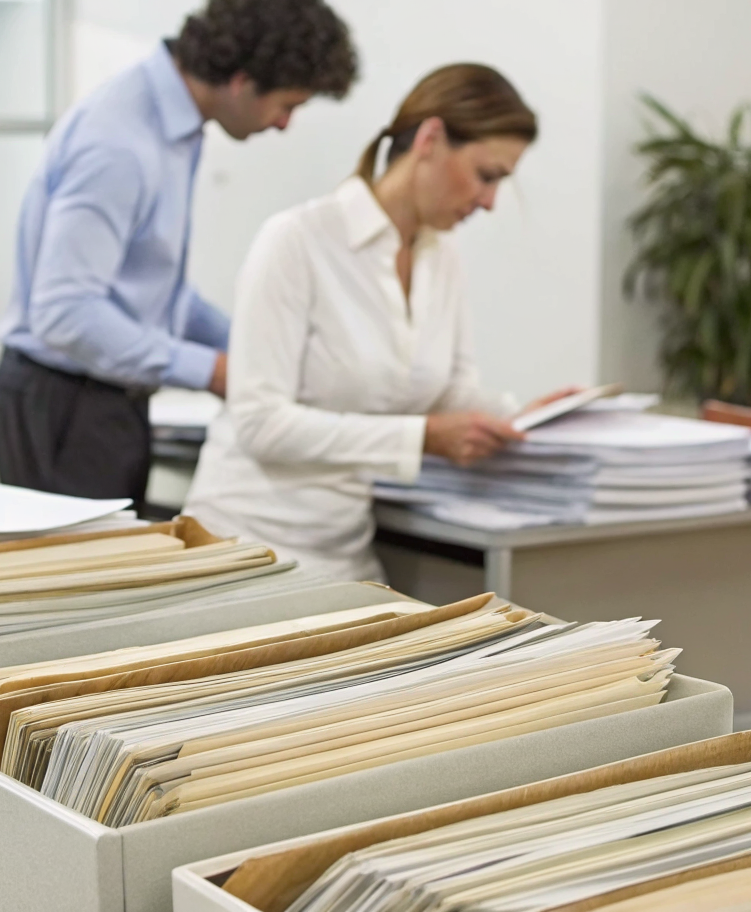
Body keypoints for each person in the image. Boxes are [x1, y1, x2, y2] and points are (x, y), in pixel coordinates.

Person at [183, 63, 576, 583]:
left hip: (342, 553)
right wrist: (421, 438)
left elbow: (449, 391)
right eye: (487, 176)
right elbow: (261, 425)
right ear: (430, 140)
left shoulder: (441, 256)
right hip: (242, 548)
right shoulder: (297, 240)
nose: (489, 202)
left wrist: (526, 419)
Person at [0, 0, 358, 502]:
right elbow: (65, 312)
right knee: (95, 560)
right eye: (287, 105)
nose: (284, 124)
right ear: (241, 81)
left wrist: (250, 349)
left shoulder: (174, 126)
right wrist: (213, 371)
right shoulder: (119, 144)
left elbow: (153, 294)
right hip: (66, 402)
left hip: (103, 395)